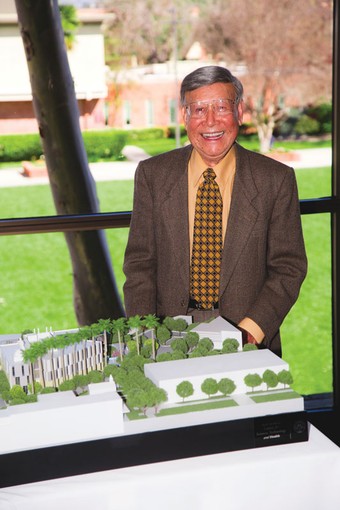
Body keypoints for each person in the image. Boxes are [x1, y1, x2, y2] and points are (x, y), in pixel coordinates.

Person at [123, 65, 307, 356]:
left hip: (247, 335)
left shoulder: (275, 180)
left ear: (239, 111)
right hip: (168, 334)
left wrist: (249, 333)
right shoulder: (153, 175)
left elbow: (288, 268)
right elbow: (140, 265)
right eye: (198, 110)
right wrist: (145, 333)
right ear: (184, 116)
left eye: (221, 107)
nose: (210, 121)